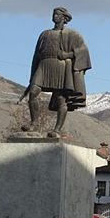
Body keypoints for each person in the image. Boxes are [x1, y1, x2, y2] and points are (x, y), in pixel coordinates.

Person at [19, 7, 91, 137]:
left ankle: (57, 130)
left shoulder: (72, 34)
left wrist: (67, 54)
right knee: (33, 92)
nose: (55, 16)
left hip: (61, 67)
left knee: (60, 98)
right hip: (44, 64)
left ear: (64, 18)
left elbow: (83, 52)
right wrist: (31, 77)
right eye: (54, 14)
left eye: (57, 14)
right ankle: (34, 123)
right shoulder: (44, 34)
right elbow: (36, 55)